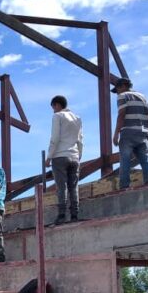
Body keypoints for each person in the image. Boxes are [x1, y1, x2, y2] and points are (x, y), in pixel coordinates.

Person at [45, 95, 83, 225]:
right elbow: (80, 140)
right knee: (74, 186)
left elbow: (55, 138)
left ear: (57, 105)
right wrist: (79, 155)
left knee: (61, 187)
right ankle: (74, 214)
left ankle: (61, 215)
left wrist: (49, 157)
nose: (53, 110)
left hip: (60, 156)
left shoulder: (57, 116)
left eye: (53, 107)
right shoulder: (77, 118)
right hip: (74, 156)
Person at [112, 77, 148, 190]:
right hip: (143, 133)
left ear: (123, 86)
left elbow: (121, 114)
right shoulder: (142, 97)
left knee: (125, 159)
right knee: (145, 159)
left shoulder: (123, 96)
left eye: (117, 89)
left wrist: (116, 134)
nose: (117, 93)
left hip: (128, 133)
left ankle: (124, 186)